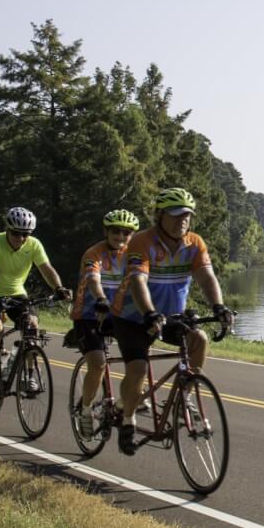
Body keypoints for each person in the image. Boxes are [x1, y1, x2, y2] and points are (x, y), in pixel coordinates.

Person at [109, 187, 234, 455]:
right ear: (159, 216)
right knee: (138, 369)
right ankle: (127, 419)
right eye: (176, 215)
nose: (182, 221)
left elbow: (206, 277)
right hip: (133, 317)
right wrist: (150, 313)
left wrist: (219, 306)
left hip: (170, 317)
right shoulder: (142, 242)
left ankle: (183, 400)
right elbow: (138, 281)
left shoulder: (194, 243)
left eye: (186, 216)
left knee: (199, 339)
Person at [0, 207, 71, 393]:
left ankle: (28, 375)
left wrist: (59, 288)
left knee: (31, 327)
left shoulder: (34, 245)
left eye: (25, 234)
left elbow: (46, 268)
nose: (20, 238)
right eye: (16, 233)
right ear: (7, 229)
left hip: (16, 293)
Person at [68, 208, 139, 437]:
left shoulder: (133, 256)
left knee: (139, 357)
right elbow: (93, 279)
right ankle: (86, 410)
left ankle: (122, 402)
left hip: (118, 315)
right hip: (89, 315)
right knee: (98, 363)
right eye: (116, 232)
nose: (120, 237)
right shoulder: (94, 253)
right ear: (106, 232)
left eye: (126, 233)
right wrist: (100, 298)